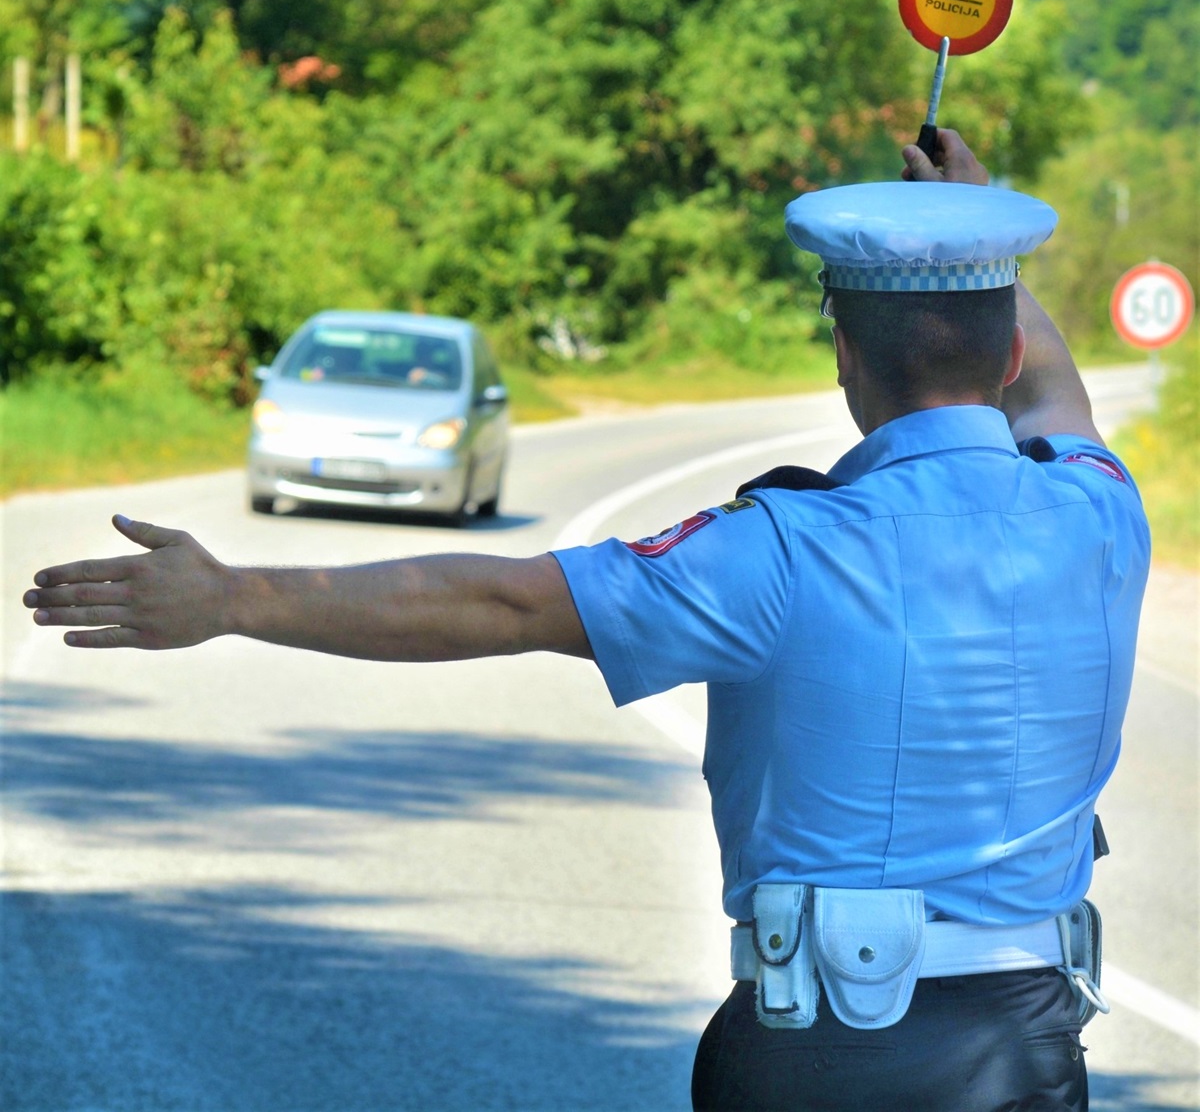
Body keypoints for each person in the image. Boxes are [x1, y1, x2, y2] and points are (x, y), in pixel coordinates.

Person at [24, 130, 1150, 1112]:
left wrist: (234, 597)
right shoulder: (1098, 511)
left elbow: (501, 600)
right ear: (1004, 351)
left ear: (846, 357)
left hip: (829, 1057)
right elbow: (1052, 389)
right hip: (1026, 1049)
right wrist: (972, 232)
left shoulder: (785, 551)